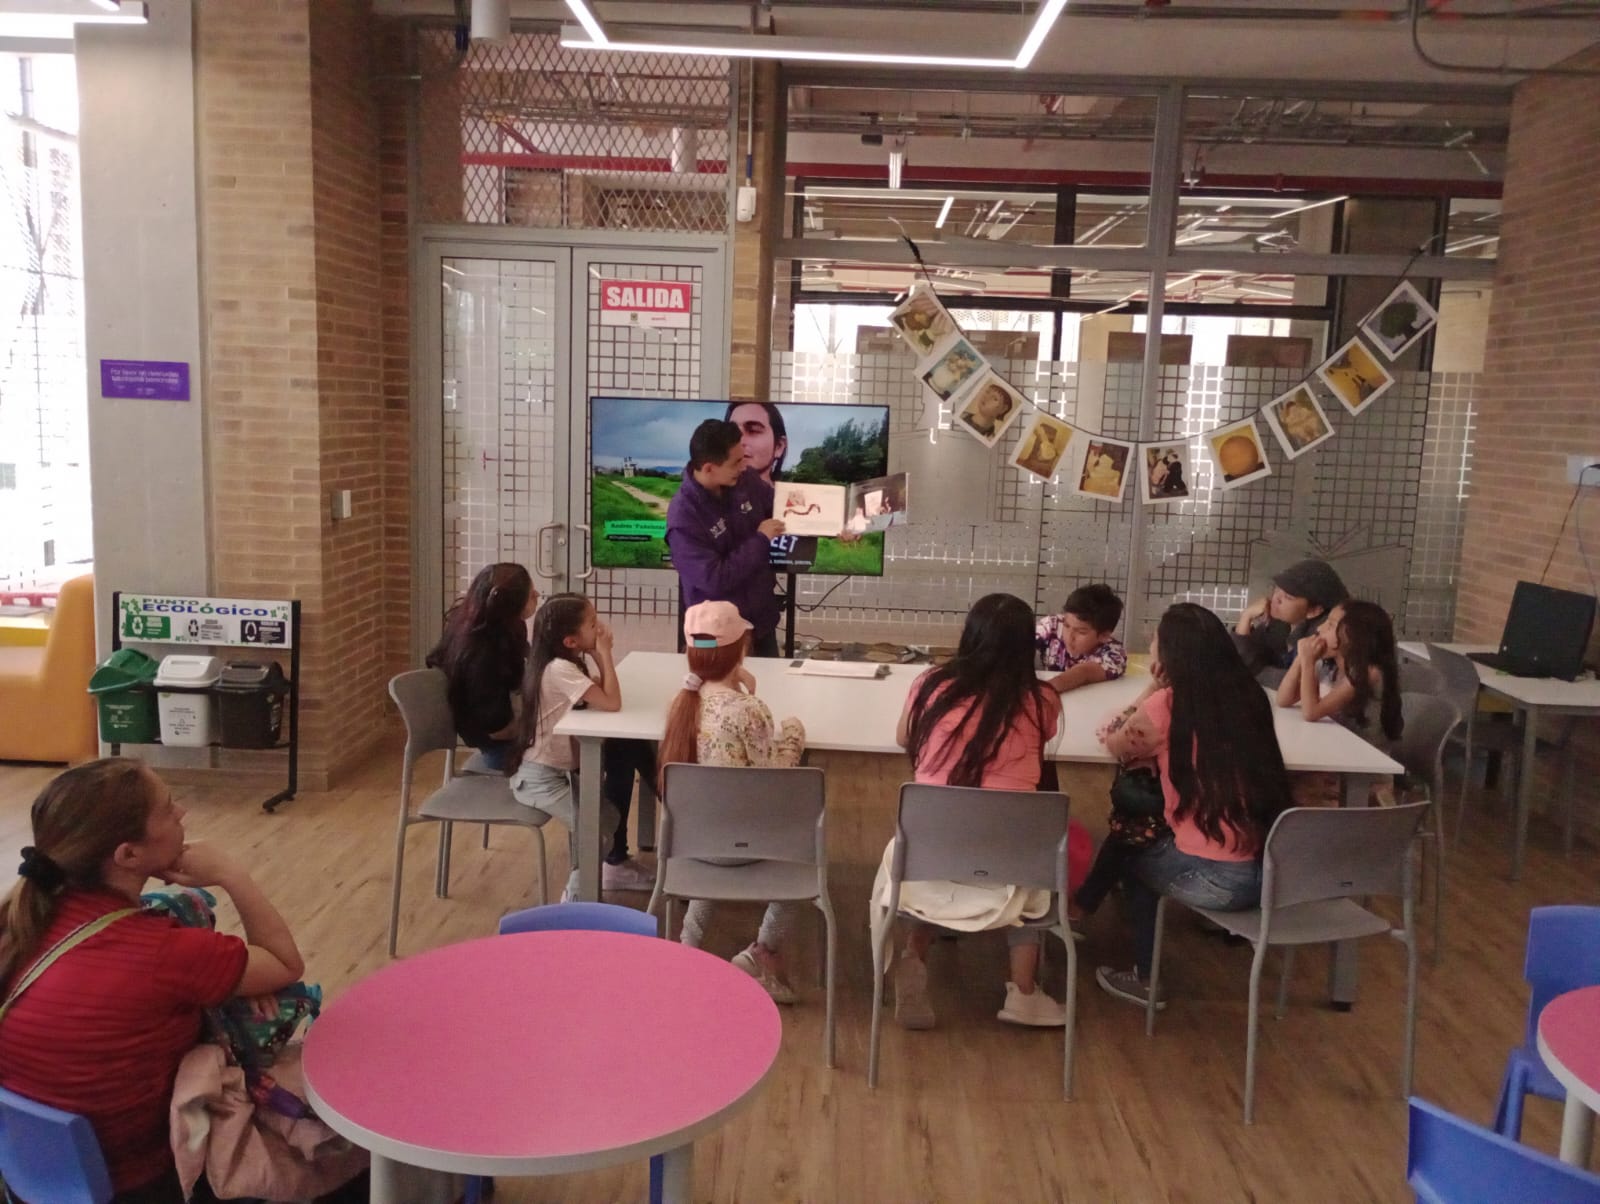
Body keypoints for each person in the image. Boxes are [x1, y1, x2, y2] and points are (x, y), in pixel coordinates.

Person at [0, 759, 316, 1203]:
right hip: (141, 1183)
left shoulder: (24, 923)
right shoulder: (160, 952)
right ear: (128, 855)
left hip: (31, 1176)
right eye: (168, 809)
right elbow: (285, 963)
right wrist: (231, 874)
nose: (182, 813)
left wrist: (223, 977)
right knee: (330, 1153)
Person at [875, 593, 1081, 1031]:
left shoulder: (931, 683)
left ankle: (914, 955)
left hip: (928, 859)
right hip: (1008, 865)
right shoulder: (1042, 699)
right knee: (1030, 860)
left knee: (940, 846)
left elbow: (902, 738)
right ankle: (1023, 992)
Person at [1092, 604, 1292, 1009]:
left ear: (1170, 655)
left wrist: (1150, 691)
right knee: (1153, 831)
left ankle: (1145, 979)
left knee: (1132, 854)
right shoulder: (1250, 697)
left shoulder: (1166, 705)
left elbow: (1114, 741)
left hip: (1218, 880)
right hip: (1273, 869)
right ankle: (1085, 908)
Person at [657, 601, 807, 1003]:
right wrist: (792, 733)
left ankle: (687, 945)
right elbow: (771, 775)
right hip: (744, 847)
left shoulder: (682, 704)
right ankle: (763, 951)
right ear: (741, 650)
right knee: (804, 853)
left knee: (720, 824)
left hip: (695, 845)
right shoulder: (748, 710)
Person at [506, 594, 654, 898]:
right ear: (571, 641)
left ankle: (593, 880)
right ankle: (573, 900)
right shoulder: (559, 670)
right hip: (540, 778)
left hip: (561, 774)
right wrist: (606, 654)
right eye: (592, 624)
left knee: (609, 819)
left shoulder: (565, 664)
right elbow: (612, 702)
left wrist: (600, 657)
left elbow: (601, 692)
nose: (599, 628)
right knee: (597, 828)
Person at [666, 418, 786, 657]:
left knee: (769, 692)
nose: (744, 466)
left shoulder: (746, 480)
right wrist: (761, 540)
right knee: (718, 694)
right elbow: (715, 578)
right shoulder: (684, 518)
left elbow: (783, 508)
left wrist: (835, 525)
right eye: (736, 462)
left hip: (761, 623)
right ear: (709, 468)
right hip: (717, 637)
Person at [426, 562, 537, 772]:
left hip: (508, 734)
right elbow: (497, 728)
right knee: (570, 749)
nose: (537, 595)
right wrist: (539, 725)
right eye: (531, 595)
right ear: (512, 604)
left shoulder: (504, 627)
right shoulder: (483, 653)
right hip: (501, 748)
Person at [1276, 599, 1404, 754]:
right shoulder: (1328, 666)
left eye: (1330, 625)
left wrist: (1308, 661)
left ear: (1354, 636)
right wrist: (1300, 660)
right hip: (1334, 751)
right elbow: (1284, 699)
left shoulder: (1368, 673)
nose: (1319, 628)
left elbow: (1311, 712)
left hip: (1363, 764)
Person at [1233, 557, 1348, 679]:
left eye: (1288, 597)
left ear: (1314, 611)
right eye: (1276, 589)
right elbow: (1235, 661)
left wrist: (1253, 668)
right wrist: (1246, 617)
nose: (1276, 598)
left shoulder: (1324, 634)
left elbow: (1290, 683)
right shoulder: (1279, 623)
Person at [1035, 583, 1128, 695]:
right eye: (1067, 625)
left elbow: (1083, 673)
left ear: (1104, 636)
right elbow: (1019, 643)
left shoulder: (1114, 653)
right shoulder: (1052, 625)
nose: (1069, 636)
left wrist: (1041, 692)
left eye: (1081, 632)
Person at [725, 401, 788, 484]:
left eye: (753, 430)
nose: (738, 441)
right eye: (731, 432)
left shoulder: (786, 496)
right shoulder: (707, 494)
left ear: (779, 446)